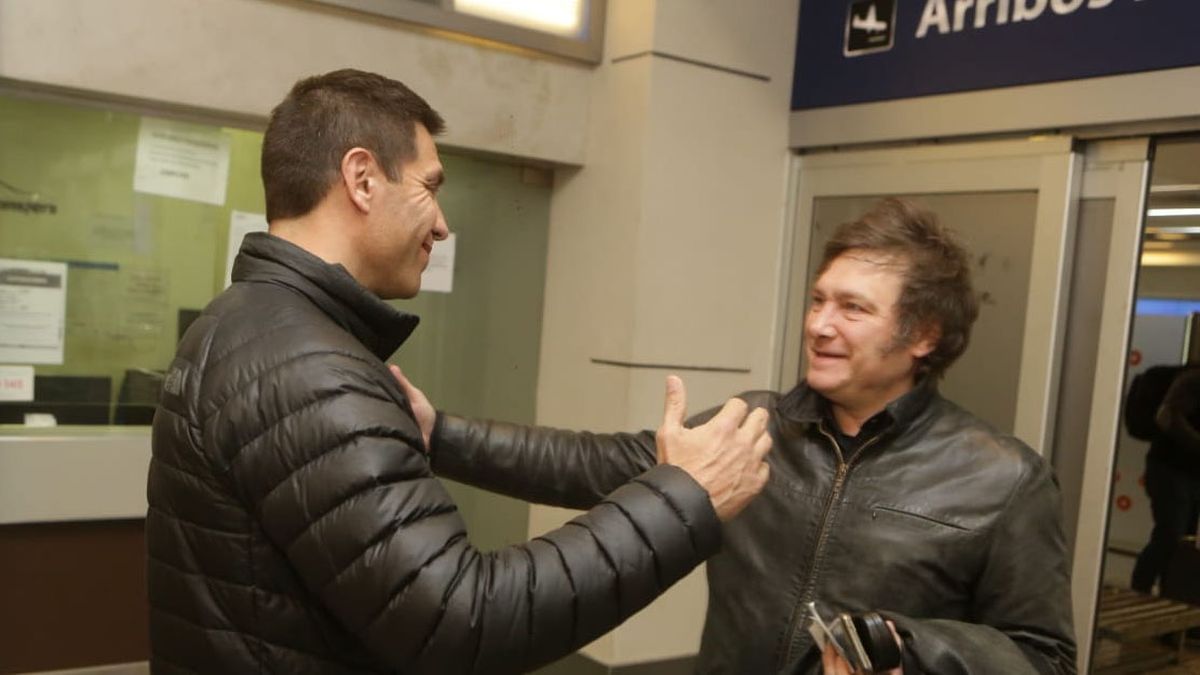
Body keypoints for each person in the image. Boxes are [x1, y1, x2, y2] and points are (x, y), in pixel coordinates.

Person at [145, 69, 772, 675]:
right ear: (362, 179)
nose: (442, 225)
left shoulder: (246, 323)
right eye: (430, 187)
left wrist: (439, 434)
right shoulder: (308, 365)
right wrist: (685, 503)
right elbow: (460, 620)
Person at [404, 198, 1076, 673]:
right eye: (819, 299)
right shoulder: (750, 428)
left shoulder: (1002, 478)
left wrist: (919, 653)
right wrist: (441, 434)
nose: (819, 324)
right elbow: (593, 463)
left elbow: (1043, 656)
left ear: (924, 335)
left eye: (853, 308)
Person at [1131, 364, 1200, 595]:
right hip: (1170, 469)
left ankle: (1173, 599)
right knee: (1170, 535)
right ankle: (1139, 592)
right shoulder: (1194, 378)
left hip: (1190, 472)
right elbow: (1166, 415)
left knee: (1186, 544)